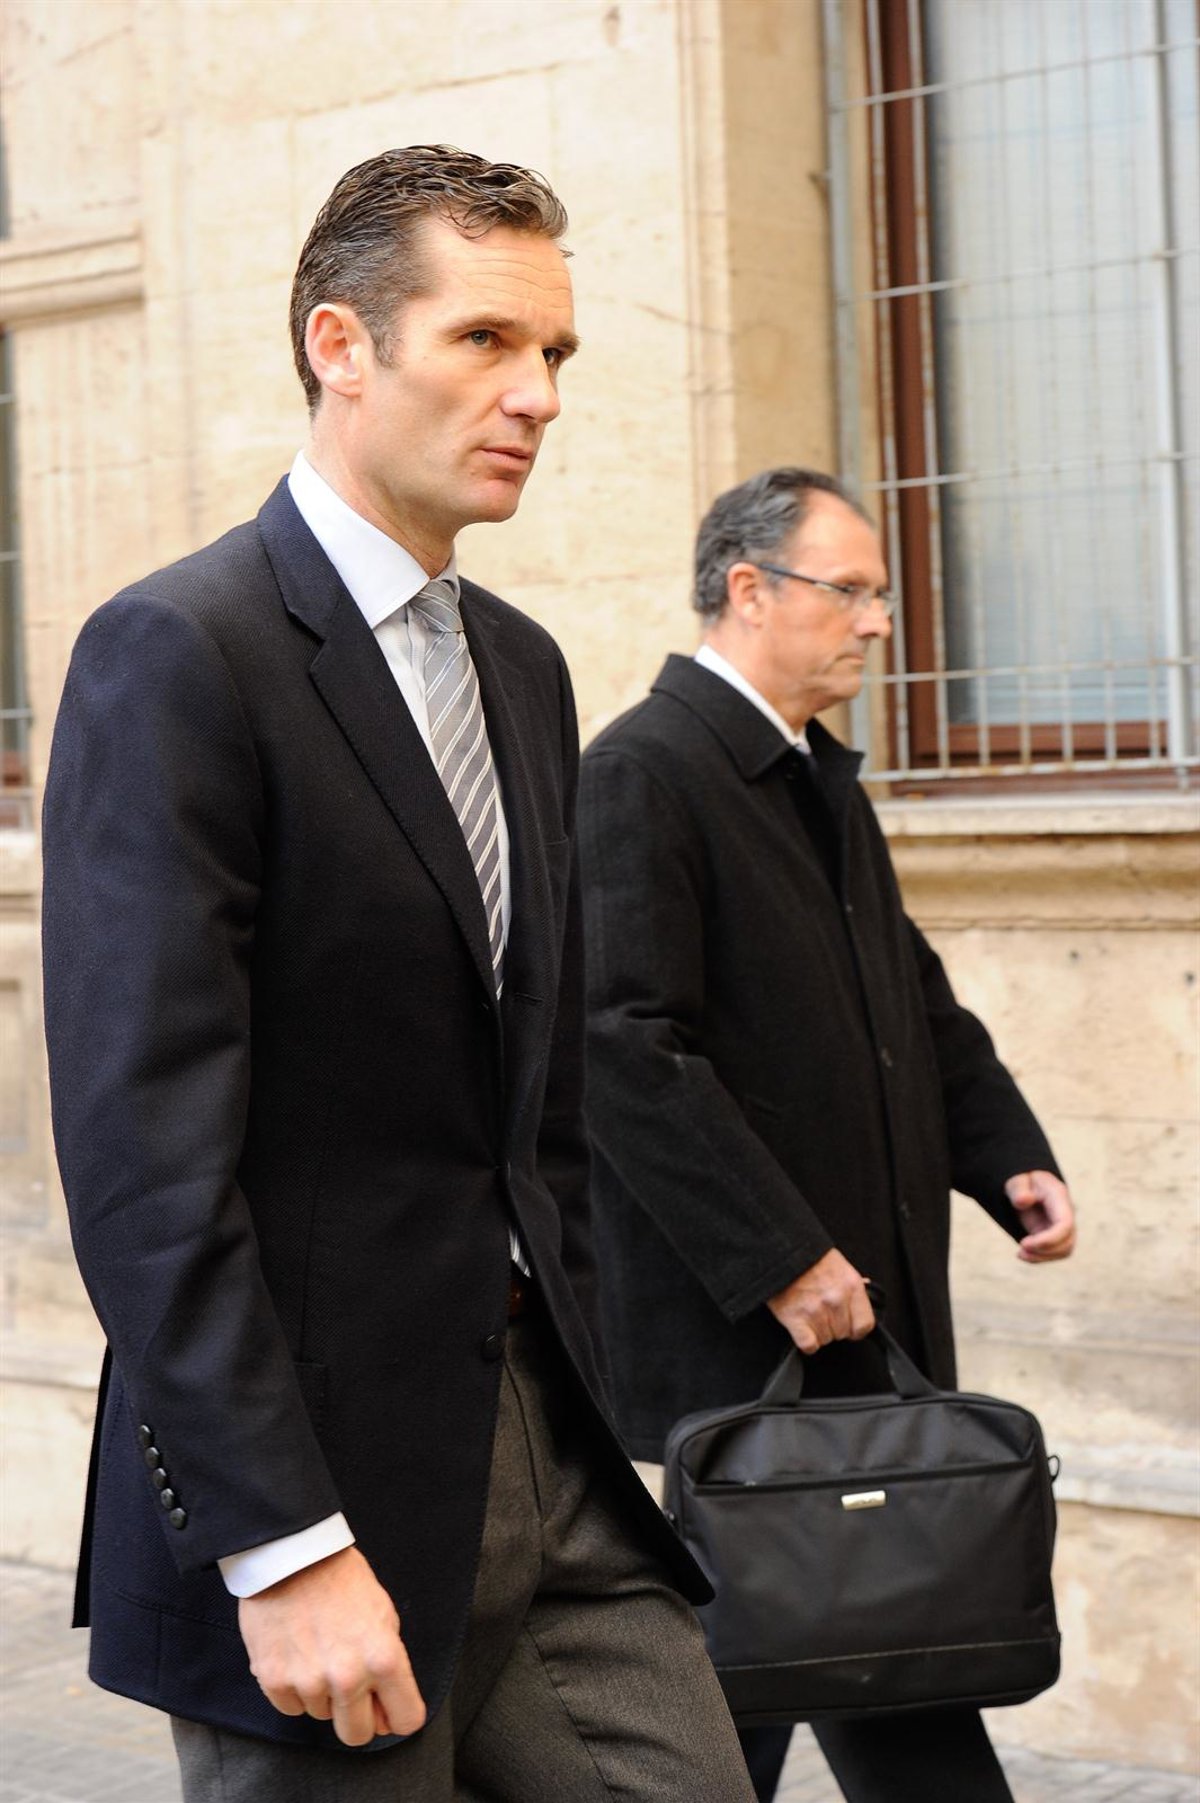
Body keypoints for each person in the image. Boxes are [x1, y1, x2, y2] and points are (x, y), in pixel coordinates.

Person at [41, 146, 755, 1803]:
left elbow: (538, 1104)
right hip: (317, 1481)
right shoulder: (181, 652)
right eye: (485, 340)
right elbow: (144, 1159)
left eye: (555, 352)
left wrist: (578, 1376)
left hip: (549, 1448)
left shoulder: (522, 667)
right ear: (340, 346)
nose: (538, 394)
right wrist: (279, 1540)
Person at [577, 467, 1077, 1803]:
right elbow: (622, 1048)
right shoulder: (642, 771)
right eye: (850, 590)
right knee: (755, 1706)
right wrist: (784, 1257)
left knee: (858, 1680)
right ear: (748, 590)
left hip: (857, 1331)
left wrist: (1007, 1157)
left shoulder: (817, 781)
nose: (877, 623)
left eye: (880, 595)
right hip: (745, 1353)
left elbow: (911, 999)